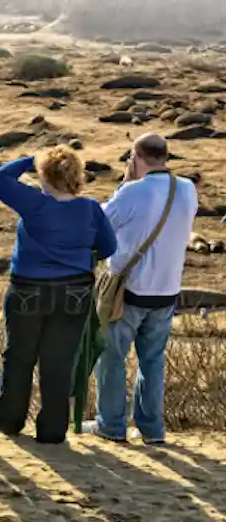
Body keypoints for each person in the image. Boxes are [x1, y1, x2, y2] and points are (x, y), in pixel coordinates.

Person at [0, 145, 117, 444]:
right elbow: (109, 247)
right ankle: (52, 429)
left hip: (28, 288)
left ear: (45, 175)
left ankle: (10, 420)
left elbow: (0, 178)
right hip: (74, 290)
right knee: (59, 362)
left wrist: (31, 159)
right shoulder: (90, 209)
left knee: (19, 356)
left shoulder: (34, 203)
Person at [84, 134, 197, 445]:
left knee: (111, 356)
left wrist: (125, 182)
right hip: (167, 290)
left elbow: (102, 224)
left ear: (135, 158)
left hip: (129, 290)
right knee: (153, 361)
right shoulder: (187, 188)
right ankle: (151, 429)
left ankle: (111, 424)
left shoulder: (133, 191)